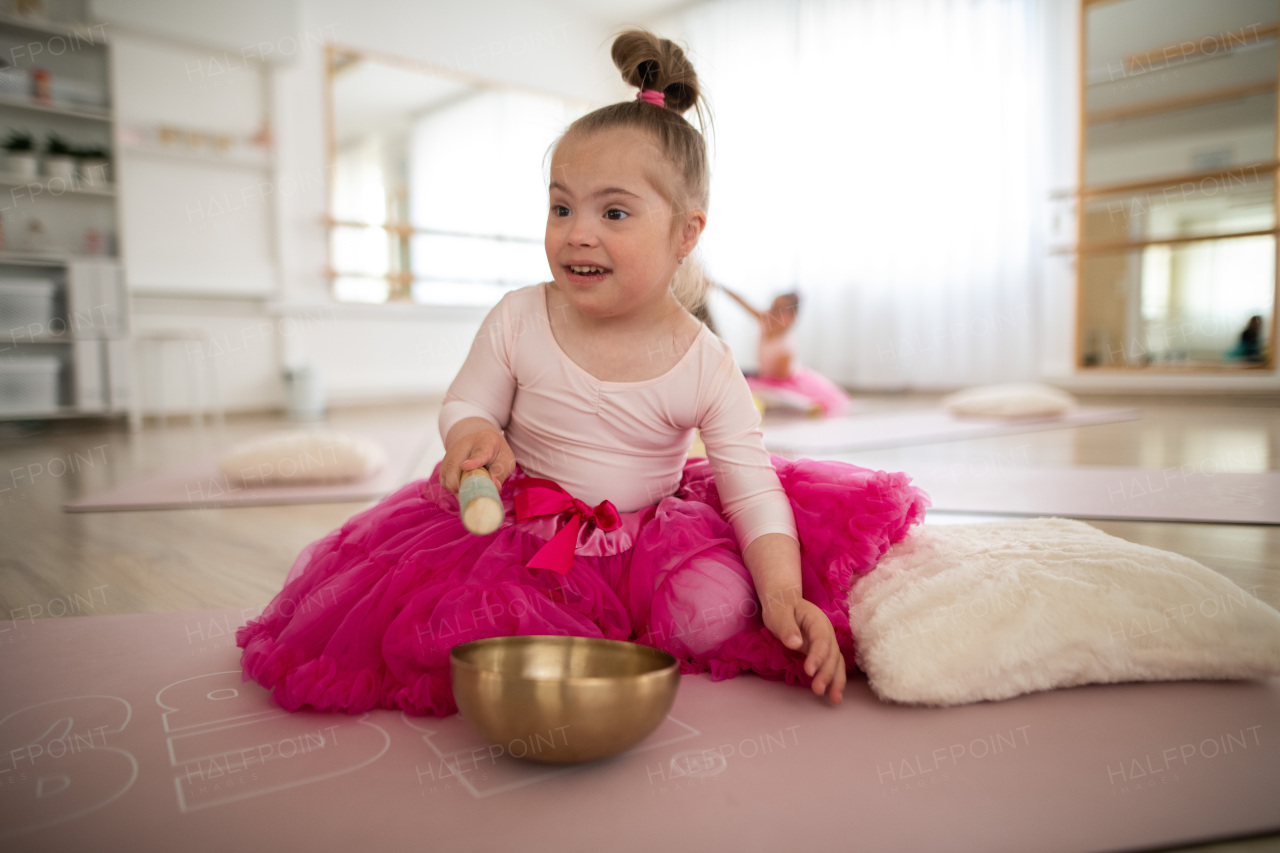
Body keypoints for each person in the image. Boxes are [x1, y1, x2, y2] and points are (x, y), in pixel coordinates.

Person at [237, 29, 927, 717]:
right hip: (521, 538)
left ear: (686, 233)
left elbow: (752, 491)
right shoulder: (519, 317)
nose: (577, 232)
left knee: (719, 609)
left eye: (614, 212)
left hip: (650, 540)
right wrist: (473, 433)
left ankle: (658, 616)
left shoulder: (705, 359)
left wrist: (782, 594)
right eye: (561, 206)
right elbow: (465, 401)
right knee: (479, 629)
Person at [717, 282, 855, 416]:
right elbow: (742, 301)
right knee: (742, 390)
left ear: (792, 316)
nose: (773, 312)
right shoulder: (765, 321)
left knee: (767, 394)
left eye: (780, 310)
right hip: (766, 378)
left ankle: (806, 406)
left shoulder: (786, 348)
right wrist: (718, 286)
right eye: (773, 307)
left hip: (783, 383)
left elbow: (777, 379)